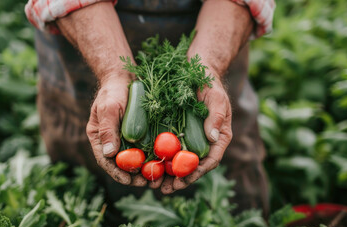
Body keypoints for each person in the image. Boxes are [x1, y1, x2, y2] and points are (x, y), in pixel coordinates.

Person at [25, 0, 275, 214]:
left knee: (232, 202)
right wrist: (114, 72)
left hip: (215, 35)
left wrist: (205, 70)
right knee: (85, 194)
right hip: (84, 36)